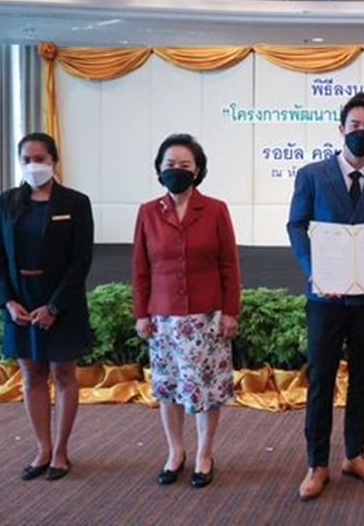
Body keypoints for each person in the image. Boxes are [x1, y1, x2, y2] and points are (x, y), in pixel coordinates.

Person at [287, 92, 364, 501]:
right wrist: (315, 270)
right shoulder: (312, 175)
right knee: (321, 380)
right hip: (326, 298)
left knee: (362, 379)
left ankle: (355, 455)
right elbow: (297, 225)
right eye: (354, 126)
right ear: (341, 129)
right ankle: (317, 463)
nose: (360, 132)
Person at [132, 133, 241, 489]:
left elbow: (229, 265)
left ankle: (204, 454)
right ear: (159, 169)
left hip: (206, 318)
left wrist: (230, 312)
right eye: (170, 164)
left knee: (206, 390)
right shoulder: (148, 212)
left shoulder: (216, 209)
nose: (176, 170)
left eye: (185, 165)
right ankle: (175, 452)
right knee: (169, 388)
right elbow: (140, 268)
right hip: (162, 319)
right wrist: (141, 313)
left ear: (198, 170)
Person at [0, 132, 94, 482]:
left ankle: (61, 451)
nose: (33, 165)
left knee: (63, 375)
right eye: (26, 160)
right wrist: (8, 301)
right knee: (32, 376)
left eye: (40, 159)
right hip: (20, 302)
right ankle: (43, 449)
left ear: (54, 161)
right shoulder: (7, 202)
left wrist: (53, 307)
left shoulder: (75, 202)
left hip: (61, 302)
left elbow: (81, 261)